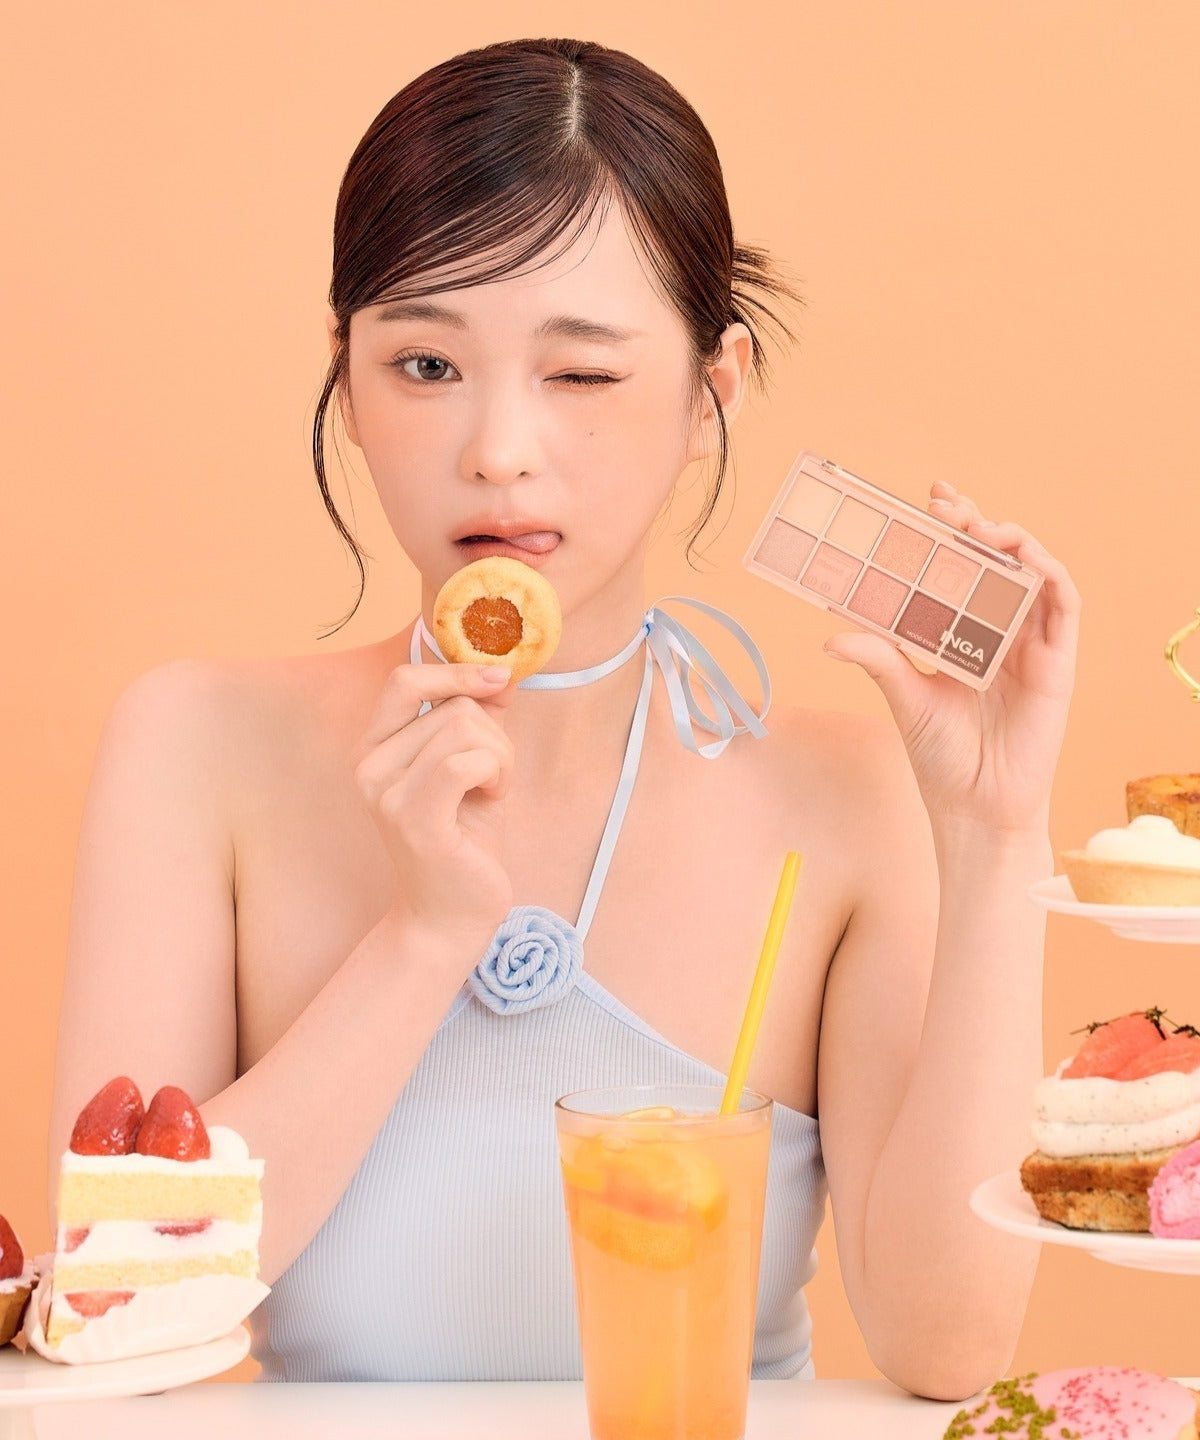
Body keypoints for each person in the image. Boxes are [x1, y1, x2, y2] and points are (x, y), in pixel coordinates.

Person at [47, 37, 1079, 1396]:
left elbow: (948, 1349)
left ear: (715, 391)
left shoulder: (845, 795)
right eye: (425, 366)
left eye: (582, 374)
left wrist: (999, 842)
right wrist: (423, 936)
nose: (499, 447)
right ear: (346, 377)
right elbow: (116, 1315)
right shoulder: (195, 750)